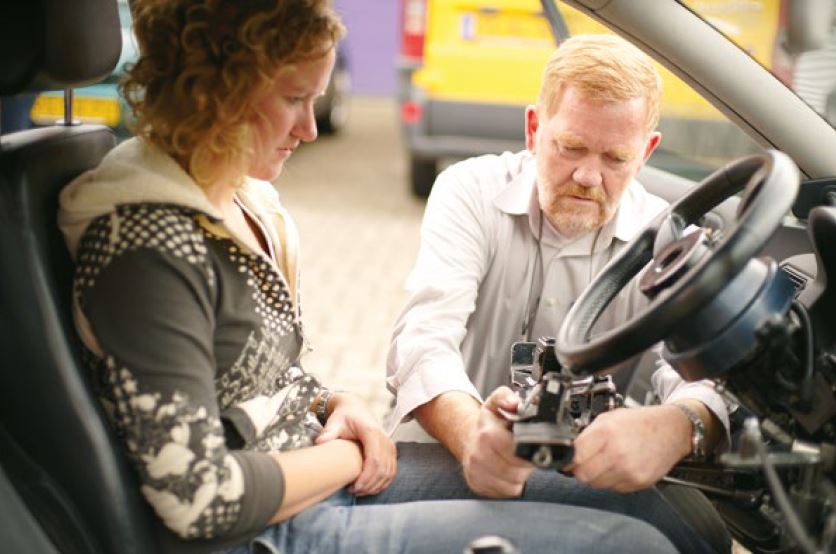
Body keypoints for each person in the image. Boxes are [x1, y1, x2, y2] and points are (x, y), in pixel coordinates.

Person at [56, 2, 679, 553]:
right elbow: (201, 498)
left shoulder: (232, 200)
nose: (311, 128)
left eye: (315, 100)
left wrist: (335, 402)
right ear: (215, 90)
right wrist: (348, 452)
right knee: (635, 546)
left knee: (669, 516)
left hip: (309, 476)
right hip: (266, 530)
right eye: (295, 99)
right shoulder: (148, 245)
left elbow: (245, 377)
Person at [386, 34, 733, 553]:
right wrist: (469, 431)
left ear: (647, 153)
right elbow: (422, 340)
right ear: (533, 129)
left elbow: (694, 375)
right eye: (570, 147)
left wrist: (679, 427)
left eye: (616, 157)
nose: (588, 176)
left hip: (587, 486)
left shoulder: (667, 238)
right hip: (445, 462)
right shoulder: (468, 191)